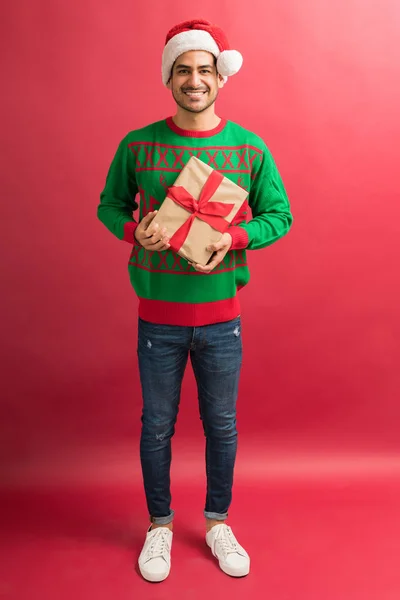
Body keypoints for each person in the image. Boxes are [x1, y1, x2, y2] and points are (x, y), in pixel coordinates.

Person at [97, 18, 293, 582]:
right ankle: (159, 526)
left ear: (219, 79)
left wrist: (234, 236)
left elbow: (281, 216)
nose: (194, 80)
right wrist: (136, 231)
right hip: (157, 319)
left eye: (204, 70)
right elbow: (109, 207)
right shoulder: (138, 144)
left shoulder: (249, 148)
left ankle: (216, 521)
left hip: (221, 321)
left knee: (222, 425)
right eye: (183, 70)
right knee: (156, 424)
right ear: (169, 78)